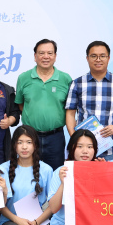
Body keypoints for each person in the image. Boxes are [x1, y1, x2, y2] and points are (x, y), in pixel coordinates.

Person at [66, 41, 113, 161]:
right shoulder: (77, 83)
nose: (98, 59)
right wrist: (75, 139)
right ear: (87, 58)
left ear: (108, 58)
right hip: (83, 151)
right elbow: (70, 114)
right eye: (94, 56)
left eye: (102, 56)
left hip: (110, 148)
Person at [0, 125, 53, 225]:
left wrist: (36, 222)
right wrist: (19, 221)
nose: (24, 147)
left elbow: (53, 205)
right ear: (14, 145)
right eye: (20, 142)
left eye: (29, 142)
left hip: (36, 222)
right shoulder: (3, 169)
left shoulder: (46, 170)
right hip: (11, 220)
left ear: (35, 145)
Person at [15, 39, 73, 170]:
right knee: (29, 172)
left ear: (55, 56)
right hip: (29, 136)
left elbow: (70, 108)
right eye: (41, 53)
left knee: (56, 172)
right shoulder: (23, 78)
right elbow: (21, 104)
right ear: (35, 56)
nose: (46, 56)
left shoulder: (65, 79)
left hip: (55, 137)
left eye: (50, 53)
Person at [47, 129, 98, 225]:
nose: (85, 151)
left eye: (89, 147)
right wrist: (63, 183)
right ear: (71, 148)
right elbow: (53, 208)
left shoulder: (100, 169)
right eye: (80, 146)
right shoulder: (61, 171)